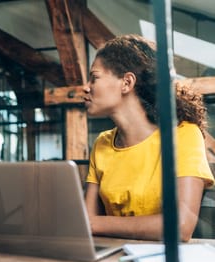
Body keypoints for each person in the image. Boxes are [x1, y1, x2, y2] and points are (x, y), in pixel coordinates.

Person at [83, 34, 214, 242]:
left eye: (94, 78)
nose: (85, 87)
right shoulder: (102, 144)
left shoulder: (184, 135)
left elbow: (181, 225)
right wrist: (91, 223)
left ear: (127, 82)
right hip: (113, 258)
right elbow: (87, 221)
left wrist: (95, 223)